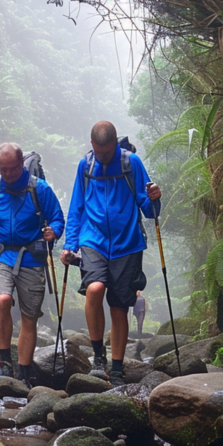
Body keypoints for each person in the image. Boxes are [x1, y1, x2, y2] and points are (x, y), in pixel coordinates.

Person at [61, 121, 161, 387]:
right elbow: (77, 206)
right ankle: (98, 358)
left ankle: (116, 368)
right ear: (92, 145)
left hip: (127, 243)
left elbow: (149, 210)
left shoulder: (132, 162)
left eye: (108, 152)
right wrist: (70, 244)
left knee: (118, 306)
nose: (103, 157)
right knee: (94, 289)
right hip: (92, 239)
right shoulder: (86, 165)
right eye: (99, 152)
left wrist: (154, 198)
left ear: (115, 143)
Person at [0, 142, 65, 383]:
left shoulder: (39, 189)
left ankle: (22, 371)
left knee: (29, 317)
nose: (9, 174)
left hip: (32, 258)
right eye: (4, 169)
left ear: (22, 164)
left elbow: (58, 218)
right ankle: (4, 363)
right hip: (2, 255)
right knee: (3, 299)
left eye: (13, 168)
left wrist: (54, 231)